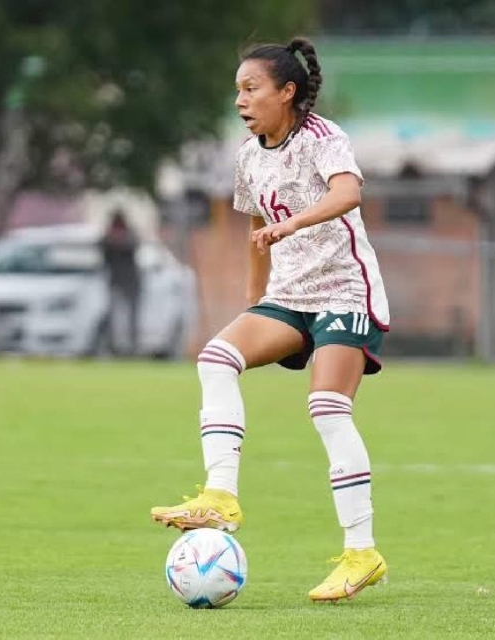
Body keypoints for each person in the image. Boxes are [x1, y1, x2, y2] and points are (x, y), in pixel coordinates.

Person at [151, 37, 390, 603]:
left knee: (328, 409)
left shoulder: (324, 139)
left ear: (288, 92)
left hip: (343, 294)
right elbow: (256, 232)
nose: (241, 99)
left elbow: (349, 194)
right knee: (216, 357)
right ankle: (221, 495)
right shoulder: (248, 156)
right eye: (237, 90)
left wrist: (292, 226)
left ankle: (362, 553)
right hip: (288, 296)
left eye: (252, 88)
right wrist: (254, 302)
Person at [100, 210, 141, 356]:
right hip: (115, 280)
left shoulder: (130, 236)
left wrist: (118, 239)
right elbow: (103, 248)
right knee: (111, 316)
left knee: (132, 316)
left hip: (130, 281)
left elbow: (133, 245)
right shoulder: (108, 237)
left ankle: (133, 346)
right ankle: (112, 345)